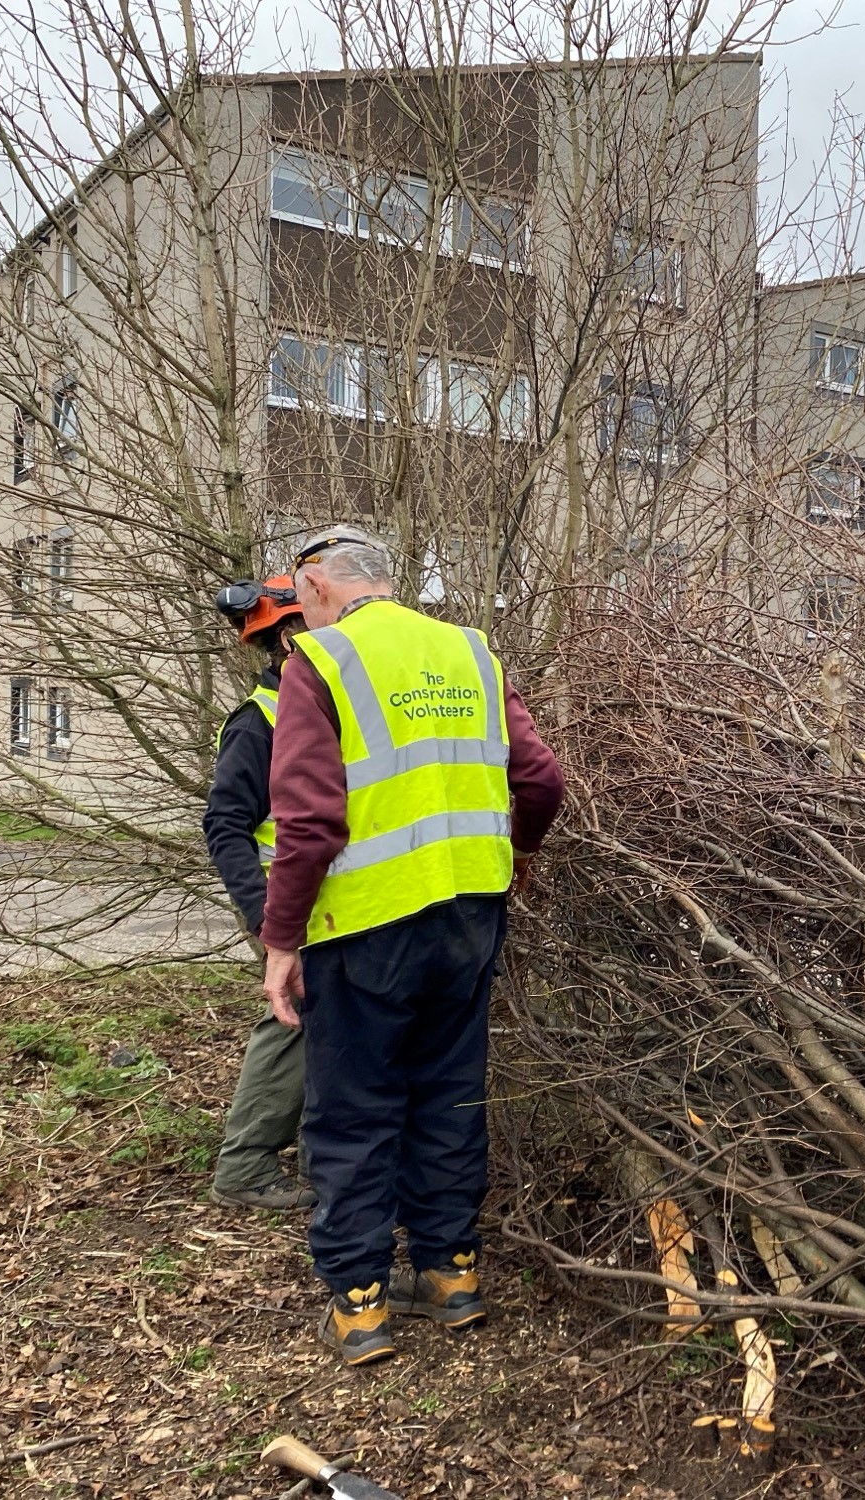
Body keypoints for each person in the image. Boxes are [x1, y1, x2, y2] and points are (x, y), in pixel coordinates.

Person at [257, 525, 565, 1367]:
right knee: (449, 1094)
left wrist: (281, 940)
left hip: (367, 927)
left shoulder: (318, 665)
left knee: (354, 1110)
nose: (294, 612)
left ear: (317, 584)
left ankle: (360, 1304)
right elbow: (540, 780)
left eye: (295, 593)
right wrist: (521, 852)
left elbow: (310, 824)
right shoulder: (471, 651)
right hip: (469, 917)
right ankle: (451, 1274)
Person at [202, 576, 316, 1211]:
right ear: (281, 642)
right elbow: (225, 825)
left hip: (331, 900)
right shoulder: (258, 723)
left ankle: (312, 1147)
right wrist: (268, 918)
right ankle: (244, 1165)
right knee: (295, 1023)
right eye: (299, 632)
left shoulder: (323, 707)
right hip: (284, 904)